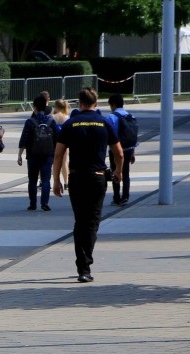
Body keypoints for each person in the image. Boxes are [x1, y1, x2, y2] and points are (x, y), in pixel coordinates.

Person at [53, 87, 123, 283]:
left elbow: (58, 154)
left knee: (80, 221)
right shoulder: (105, 122)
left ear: (80, 103)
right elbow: (119, 152)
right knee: (92, 222)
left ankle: (82, 267)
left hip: (76, 178)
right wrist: (118, 171)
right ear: (96, 102)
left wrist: (56, 180)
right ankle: (86, 265)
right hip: (97, 177)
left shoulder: (71, 124)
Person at [16, 93, 57, 211]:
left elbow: (24, 139)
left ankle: (32, 204)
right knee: (46, 180)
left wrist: (19, 155)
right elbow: (57, 138)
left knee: (32, 180)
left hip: (32, 155)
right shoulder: (51, 121)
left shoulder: (30, 122)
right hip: (47, 155)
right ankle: (45, 203)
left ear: (35, 107)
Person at [105, 94, 137, 205]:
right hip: (128, 148)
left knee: (115, 172)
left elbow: (109, 135)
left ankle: (116, 197)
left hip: (115, 150)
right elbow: (133, 135)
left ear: (113, 104)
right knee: (126, 173)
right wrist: (133, 151)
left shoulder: (111, 117)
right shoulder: (130, 116)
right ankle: (125, 197)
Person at [51, 98, 71, 189]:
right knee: (65, 161)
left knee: (55, 161)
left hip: (54, 141)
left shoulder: (52, 117)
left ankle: (56, 180)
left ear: (56, 107)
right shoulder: (67, 117)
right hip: (65, 140)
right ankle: (66, 182)